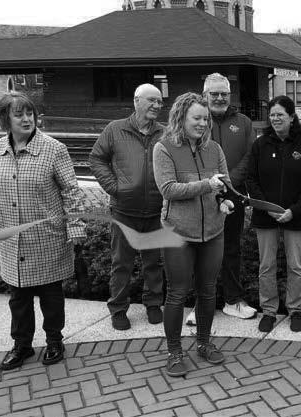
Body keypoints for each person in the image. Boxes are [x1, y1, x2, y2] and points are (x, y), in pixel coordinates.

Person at [0, 92, 86, 369]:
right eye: (18, 114)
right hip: (11, 239)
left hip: (45, 237)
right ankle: (21, 346)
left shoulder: (54, 149)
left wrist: (75, 227)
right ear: (5, 119)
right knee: (18, 298)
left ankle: (54, 341)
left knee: (50, 295)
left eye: (30, 113)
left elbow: (71, 191)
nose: (26, 119)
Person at [153, 92, 233, 377]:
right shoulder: (164, 148)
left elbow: (225, 185)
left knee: (208, 289)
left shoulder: (214, 149)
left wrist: (224, 201)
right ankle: (174, 351)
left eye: (205, 118)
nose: (202, 123)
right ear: (180, 118)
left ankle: (203, 342)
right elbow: (168, 190)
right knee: (177, 293)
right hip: (178, 232)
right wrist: (207, 185)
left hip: (213, 231)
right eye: (196, 118)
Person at [89, 84, 165, 331]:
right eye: (152, 100)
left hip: (156, 210)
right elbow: (96, 159)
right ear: (136, 101)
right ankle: (119, 308)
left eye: (160, 102)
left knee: (153, 262)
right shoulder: (115, 129)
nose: (157, 105)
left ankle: (153, 303)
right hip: (123, 211)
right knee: (121, 263)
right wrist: (114, 187)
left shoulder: (165, 133)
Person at [184, 73, 256, 326]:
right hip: (203, 196)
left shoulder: (243, 122)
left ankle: (232, 301)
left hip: (234, 196)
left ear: (230, 95)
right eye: (214, 94)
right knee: (202, 250)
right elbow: (188, 154)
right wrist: (211, 184)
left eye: (224, 93)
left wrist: (229, 182)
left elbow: (250, 155)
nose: (219, 98)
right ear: (205, 95)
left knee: (232, 249)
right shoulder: (196, 121)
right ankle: (202, 304)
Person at [246, 95, 301, 333]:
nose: (275, 118)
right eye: (272, 115)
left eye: (280, 114)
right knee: (266, 266)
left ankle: (295, 310)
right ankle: (268, 311)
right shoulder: (260, 145)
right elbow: (251, 179)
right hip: (265, 217)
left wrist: (294, 211)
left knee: (295, 266)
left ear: (292, 117)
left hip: (294, 217)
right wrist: (267, 208)